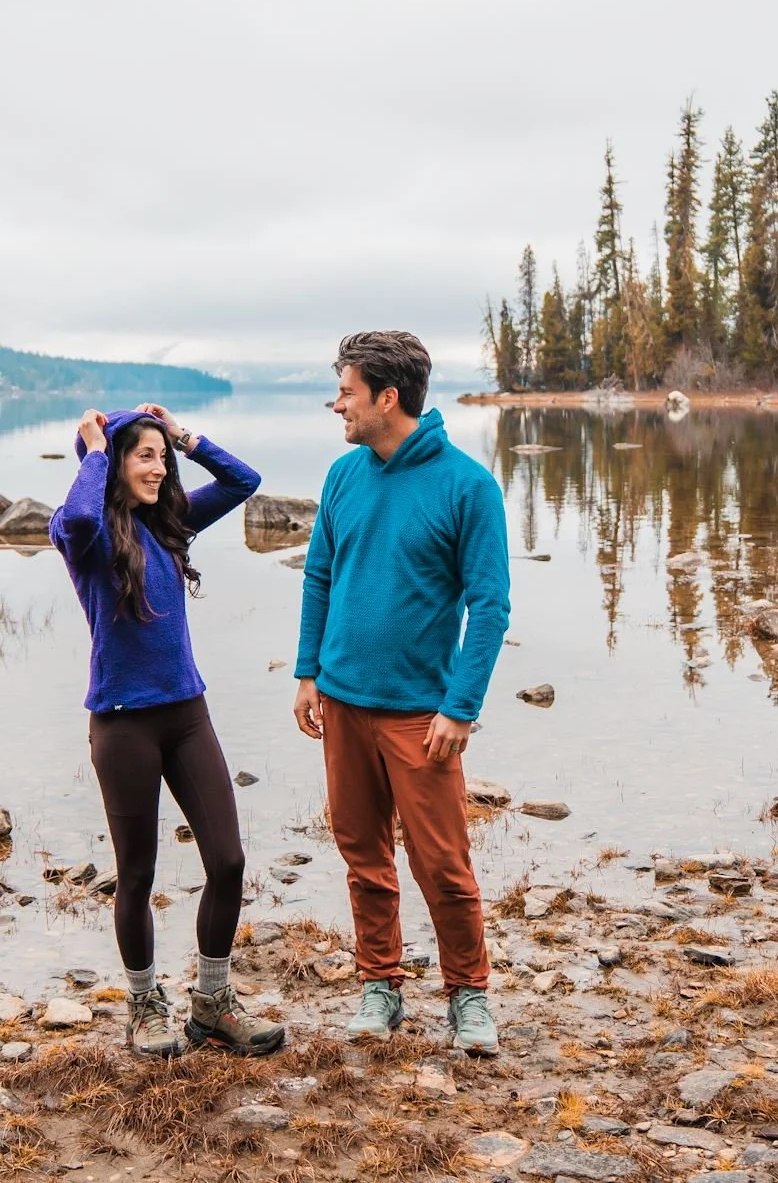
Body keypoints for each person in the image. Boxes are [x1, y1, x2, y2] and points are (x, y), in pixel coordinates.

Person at [292, 331, 511, 1055]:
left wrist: (461, 706)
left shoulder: (467, 485)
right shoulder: (344, 476)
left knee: (442, 862)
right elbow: (320, 573)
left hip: (421, 712)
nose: (338, 404)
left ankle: (469, 994)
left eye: (347, 391)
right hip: (344, 702)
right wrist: (307, 670)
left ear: (388, 397)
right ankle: (379, 983)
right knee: (362, 854)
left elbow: (491, 605)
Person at [51, 402, 285, 1058]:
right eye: (144, 455)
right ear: (112, 463)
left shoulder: (169, 524)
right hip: (123, 724)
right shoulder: (85, 536)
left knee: (229, 860)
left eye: (163, 456)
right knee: (136, 874)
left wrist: (185, 434)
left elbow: (245, 481)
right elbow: (76, 514)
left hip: (187, 713)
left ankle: (212, 1002)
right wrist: (95, 445)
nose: (158, 467)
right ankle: (144, 1005)